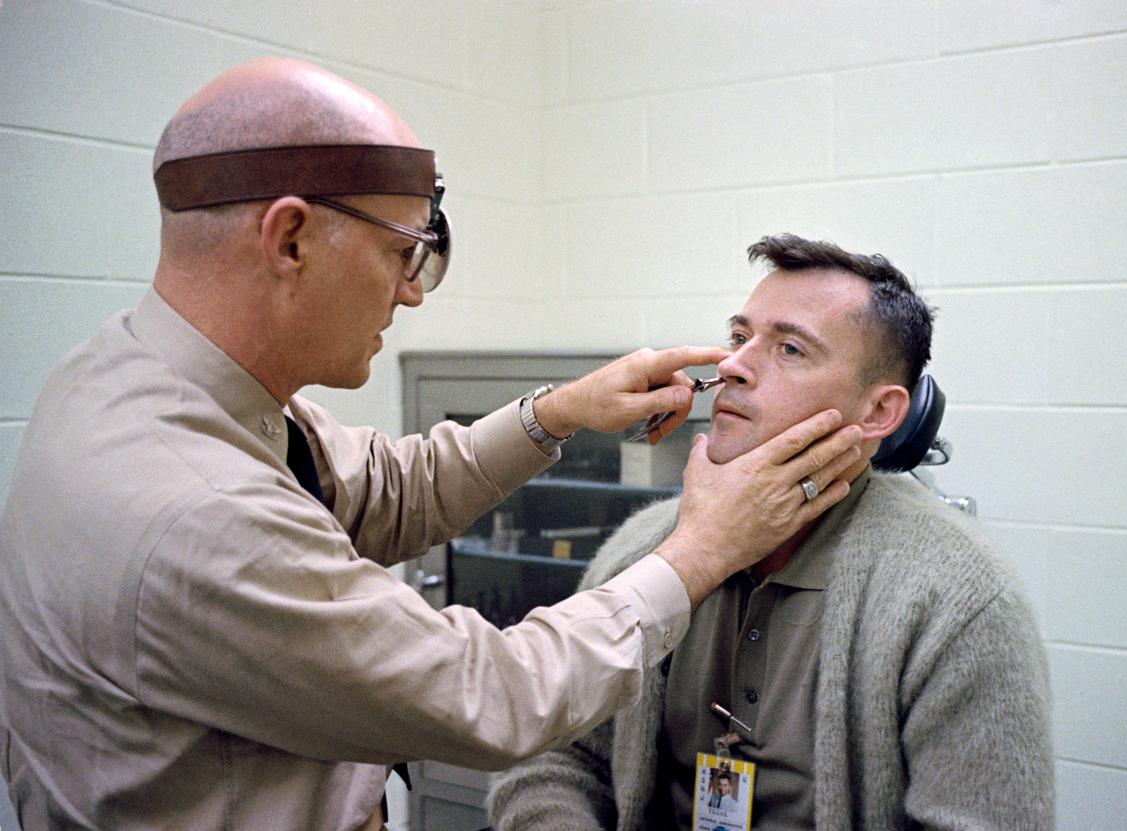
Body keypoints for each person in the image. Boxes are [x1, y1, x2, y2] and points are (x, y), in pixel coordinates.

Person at [0, 60, 865, 831]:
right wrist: (703, 548)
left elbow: (384, 489)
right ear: (290, 238)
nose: (411, 295)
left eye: (789, 348)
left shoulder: (140, 380)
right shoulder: (194, 505)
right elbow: (493, 694)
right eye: (401, 252)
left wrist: (557, 412)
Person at [488, 235, 1055, 830]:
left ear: (878, 414)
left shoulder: (959, 601)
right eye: (739, 338)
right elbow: (552, 760)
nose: (731, 365)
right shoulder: (645, 547)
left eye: (789, 348)